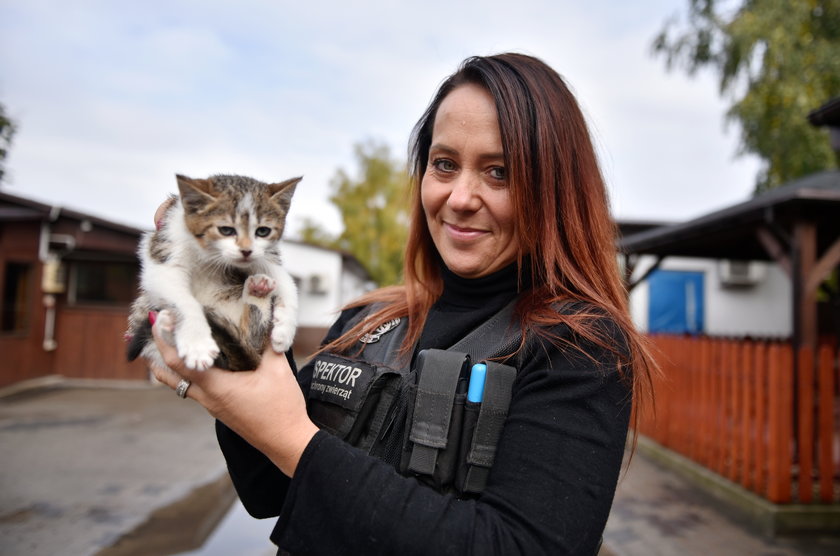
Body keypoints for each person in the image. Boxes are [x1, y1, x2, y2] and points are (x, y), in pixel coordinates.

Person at [148, 52, 655, 555]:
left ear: (555, 189)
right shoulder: (366, 320)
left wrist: (295, 441)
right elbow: (267, 491)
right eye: (444, 164)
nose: (459, 196)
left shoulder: (580, 349)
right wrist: (228, 330)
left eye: (499, 172)